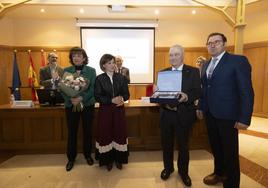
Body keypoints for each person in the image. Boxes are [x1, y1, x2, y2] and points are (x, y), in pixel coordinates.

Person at [196, 32, 254, 188]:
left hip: (228, 115)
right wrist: (201, 107)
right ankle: (219, 173)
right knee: (216, 147)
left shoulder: (237, 61)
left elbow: (246, 91)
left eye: (217, 42)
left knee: (230, 152)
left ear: (224, 44)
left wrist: (244, 118)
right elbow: (204, 89)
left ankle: (232, 184)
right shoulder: (207, 64)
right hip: (210, 114)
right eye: (209, 43)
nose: (212, 45)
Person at [159, 45, 201, 187]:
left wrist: (187, 96)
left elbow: (197, 92)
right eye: (171, 55)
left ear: (183, 56)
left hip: (184, 115)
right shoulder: (163, 73)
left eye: (176, 55)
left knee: (183, 146)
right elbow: (161, 94)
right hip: (166, 115)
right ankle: (168, 168)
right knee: (166, 144)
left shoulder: (194, 72)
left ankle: (183, 172)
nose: (173, 57)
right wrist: (161, 98)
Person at [61, 47, 96, 171]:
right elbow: (63, 89)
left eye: (79, 55)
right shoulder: (66, 70)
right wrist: (71, 99)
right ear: (71, 58)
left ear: (84, 58)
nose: (76, 58)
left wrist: (81, 98)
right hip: (71, 106)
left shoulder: (91, 71)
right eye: (74, 56)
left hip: (87, 105)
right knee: (72, 132)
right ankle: (71, 158)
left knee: (88, 131)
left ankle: (87, 155)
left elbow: (93, 89)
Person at [94, 54, 129, 171]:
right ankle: (108, 160)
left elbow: (126, 94)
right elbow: (97, 96)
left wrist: (122, 99)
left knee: (119, 133)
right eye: (109, 63)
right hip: (105, 111)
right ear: (103, 65)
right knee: (106, 133)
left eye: (113, 62)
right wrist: (111, 100)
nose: (112, 65)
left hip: (119, 110)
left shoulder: (122, 78)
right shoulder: (99, 79)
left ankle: (119, 159)